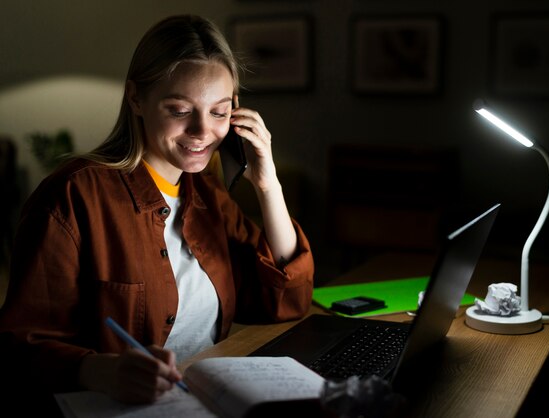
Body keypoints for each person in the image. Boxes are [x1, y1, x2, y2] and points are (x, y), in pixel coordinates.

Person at [0, 14, 314, 413]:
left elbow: (286, 299)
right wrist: (103, 371)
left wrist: (268, 186)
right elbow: (16, 346)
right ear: (136, 99)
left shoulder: (206, 192)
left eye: (219, 112)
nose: (202, 131)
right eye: (180, 110)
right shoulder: (73, 195)